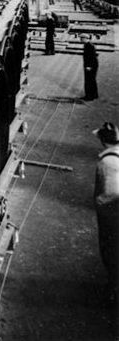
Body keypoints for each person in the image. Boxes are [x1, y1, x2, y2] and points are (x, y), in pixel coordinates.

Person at [93, 122, 119, 306]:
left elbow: (106, 193)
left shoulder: (105, 162)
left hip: (112, 214)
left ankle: (113, 290)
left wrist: (100, 206)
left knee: (110, 250)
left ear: (102, 141)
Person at [81, 34, 99, 100]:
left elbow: (92, 57)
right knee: (92, 80)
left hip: (91, 66)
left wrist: (89, 66)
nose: (80, 40)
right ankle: (94, 95)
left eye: (81, 38)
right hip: (91, 65)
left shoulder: (89, 46)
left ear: (85, 38)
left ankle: (89, 96)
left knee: (89, 81)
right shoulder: (87, 45)